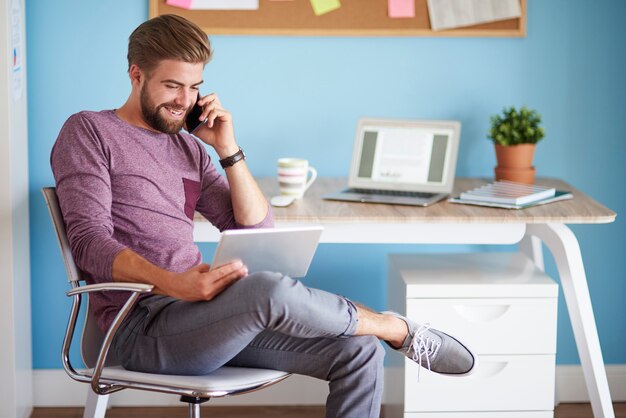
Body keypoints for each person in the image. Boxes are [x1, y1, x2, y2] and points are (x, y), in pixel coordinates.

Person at [51, 14, 476, 418]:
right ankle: (393, 327)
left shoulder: (189, 149)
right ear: (136, 74)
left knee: (359, 350)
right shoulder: (89, 131)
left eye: (195, 87)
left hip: (202, 320)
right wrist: (176, 284)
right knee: (270, 291)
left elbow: (255, 231)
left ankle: (378, 331)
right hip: (135, 328)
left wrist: (227, 150)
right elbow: (90, 243)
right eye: (171, 86)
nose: (185, 101)